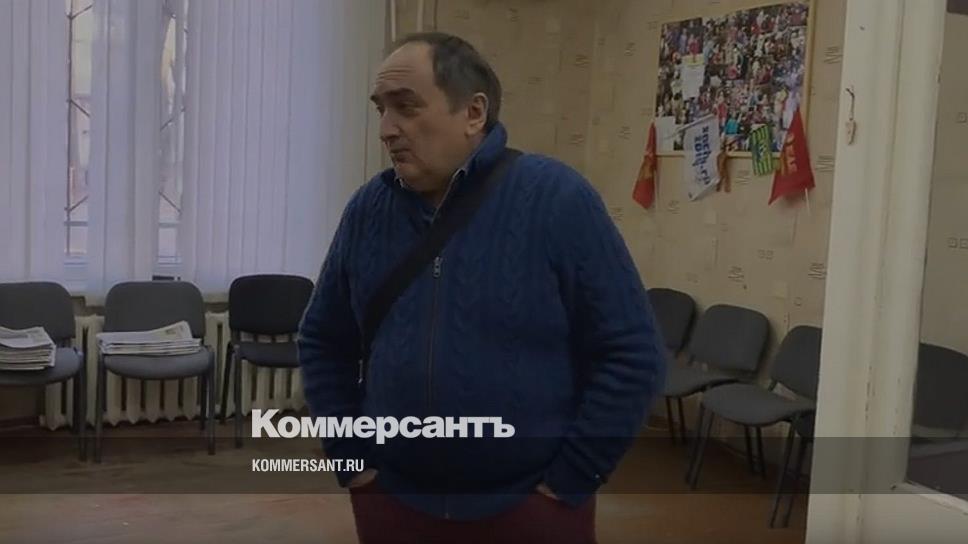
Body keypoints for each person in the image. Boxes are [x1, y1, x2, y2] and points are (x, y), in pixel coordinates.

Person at [297, 32, 666, 544]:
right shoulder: (367, 211)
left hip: (532, 508)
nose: (386, 129)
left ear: (473, 113)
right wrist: (352, 462)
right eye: (381, 109)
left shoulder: (557, 200)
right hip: (393, 502)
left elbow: (632, 353)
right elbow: (322, 340)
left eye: (406, 107)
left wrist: (573, 476)